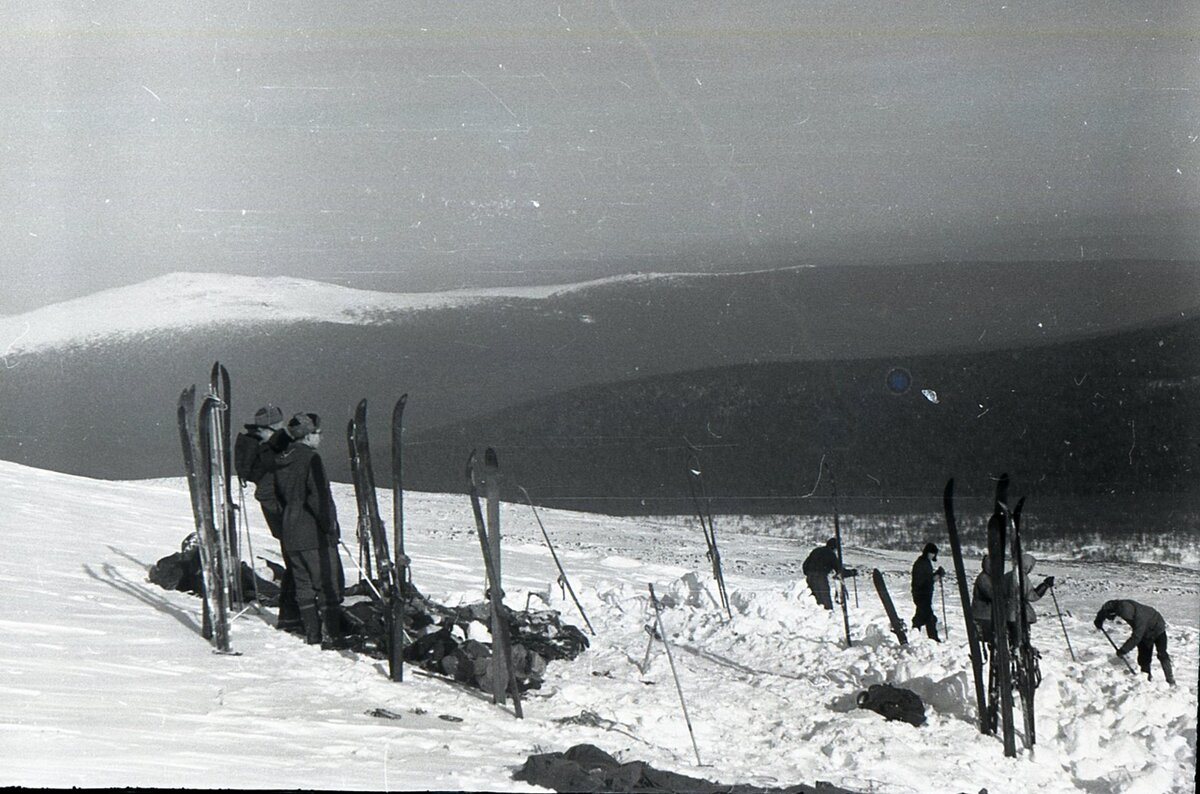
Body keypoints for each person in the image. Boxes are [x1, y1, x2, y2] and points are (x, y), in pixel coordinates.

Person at [271, 412, 347, 648]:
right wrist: (329, 527)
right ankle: (332, 635)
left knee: (303, 585)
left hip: (291, 533)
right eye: (317, 433)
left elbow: (266, 493)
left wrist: (284, 514)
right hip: (313, 533)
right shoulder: (311, 459)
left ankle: (313, 634)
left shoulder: (282, 458)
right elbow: (319, 496)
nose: (320, 437)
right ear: (307, 436)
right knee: (327, 582)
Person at [234, 404, 302, 630]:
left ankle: (292, 614)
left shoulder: (264, 449)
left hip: (285, 520)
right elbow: (265, 492)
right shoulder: (268, 453)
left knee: (294, 563)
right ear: (273, 426)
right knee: (297, 565)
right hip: (289, 521)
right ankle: (293, 616)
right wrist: (287, 514)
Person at [1094, 599, 1175, 685]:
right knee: (1144, 658)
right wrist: (1099, 619)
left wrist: (1124, 650)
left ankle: (1170, 680)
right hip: (1143, 629)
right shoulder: (1120, 605)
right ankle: (1146, 680)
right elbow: (1106, 607)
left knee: (1162, 654)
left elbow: (1136, 637)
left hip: (1158, 628)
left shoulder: (1139, 619)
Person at [1005, 553, 1054, 639]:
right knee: (1022, 639)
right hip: (1019, 613)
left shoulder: (1008, 575)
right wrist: (1045, 585)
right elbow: (1031, 596)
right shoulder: (1021, 577)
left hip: (1007, 612)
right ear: (1028, 566)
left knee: (1012, 638)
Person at [802, 537, 856, 610]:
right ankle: (827, 615)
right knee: (825, 601)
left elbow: (805, 565)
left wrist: (809, 574)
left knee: (813, 599)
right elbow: (840, 571)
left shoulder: (816, 551)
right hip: (820, 577)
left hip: (809, 577)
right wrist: (852, 572)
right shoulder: (830, 554)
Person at [910, 542, 944, 641]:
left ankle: (914, 636)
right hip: (921, 594)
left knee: (920, 616)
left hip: (923, 594)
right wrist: (936, 576)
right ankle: (933, 638)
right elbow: (924, 580)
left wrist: (936, 574)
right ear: (928, 553)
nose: (933, 556)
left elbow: (927, 578)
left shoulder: (924, 562)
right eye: (932, 553)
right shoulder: (922, 563)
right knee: (929, 617)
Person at [970, 555, 995, 645]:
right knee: (985, 640)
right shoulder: (984, 578)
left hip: (986, 614)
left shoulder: (988, 578)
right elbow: (991, 594)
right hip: (982, 615)